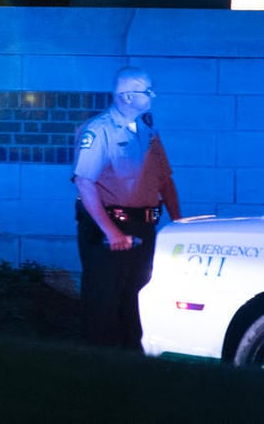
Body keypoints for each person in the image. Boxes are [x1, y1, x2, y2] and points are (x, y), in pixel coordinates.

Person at [72, 66, 182, 350]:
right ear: (128, 97)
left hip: (144, 227)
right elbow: (85, 184)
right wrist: (111, 233)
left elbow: (165, 180)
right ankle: (97, 371)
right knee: (103, 303)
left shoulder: (148, 131)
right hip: (110, 229)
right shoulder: (99, 131)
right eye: (147, 91)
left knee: (136, 299)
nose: (153, 95)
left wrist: (180, 223)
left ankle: (131, 367)